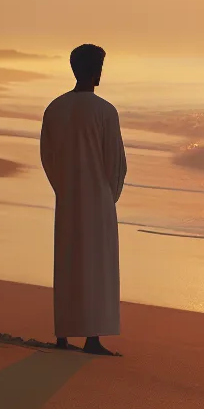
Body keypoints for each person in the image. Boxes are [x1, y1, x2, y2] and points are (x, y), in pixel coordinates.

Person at [40, 44, 126, 355]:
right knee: (96, 265)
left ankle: (63, 334)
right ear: (94, 71)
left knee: (67, 262)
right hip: (98, 197)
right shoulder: (105, 111)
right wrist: (108, 197)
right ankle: (92, 337)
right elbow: (115, 162)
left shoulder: (55, 108)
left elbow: (47, 157)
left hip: (66, 194)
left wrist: (62, 186)